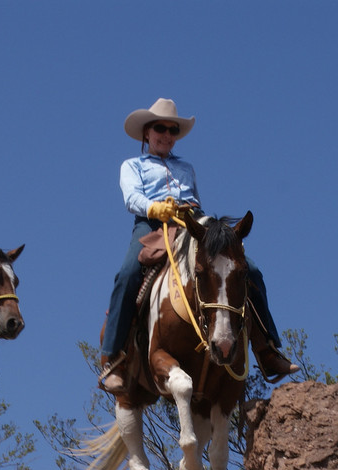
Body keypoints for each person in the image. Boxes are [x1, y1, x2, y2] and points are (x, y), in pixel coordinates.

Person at [99, 98, 299, 394]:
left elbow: (196, 201)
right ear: (146, 133)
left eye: (172, 130)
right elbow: (132, 199)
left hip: (193, 221)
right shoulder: (132, 165)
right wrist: (156, 209)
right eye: (160, 129)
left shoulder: (186, 168)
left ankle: (267, 350)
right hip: (152, 224)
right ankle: (112, 358)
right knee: (127, 274)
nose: (166, 135)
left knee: (249, 269)